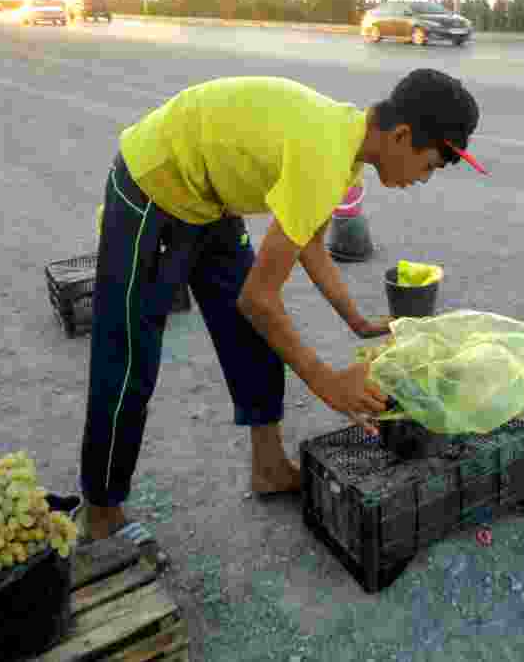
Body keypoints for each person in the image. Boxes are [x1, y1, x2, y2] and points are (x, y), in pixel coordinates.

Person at [78, 68, 487, 545]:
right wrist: (327, 382)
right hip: (155, 181)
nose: (424, 179)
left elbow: (309, 243)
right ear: (400, 136)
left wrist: (356, 321)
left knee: (251, 339)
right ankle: (102, 512)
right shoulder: (325, 156)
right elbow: (259, 297)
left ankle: (269, 467)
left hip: (213, 200)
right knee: (129, 353)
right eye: (430, 166)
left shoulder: (347, 148)